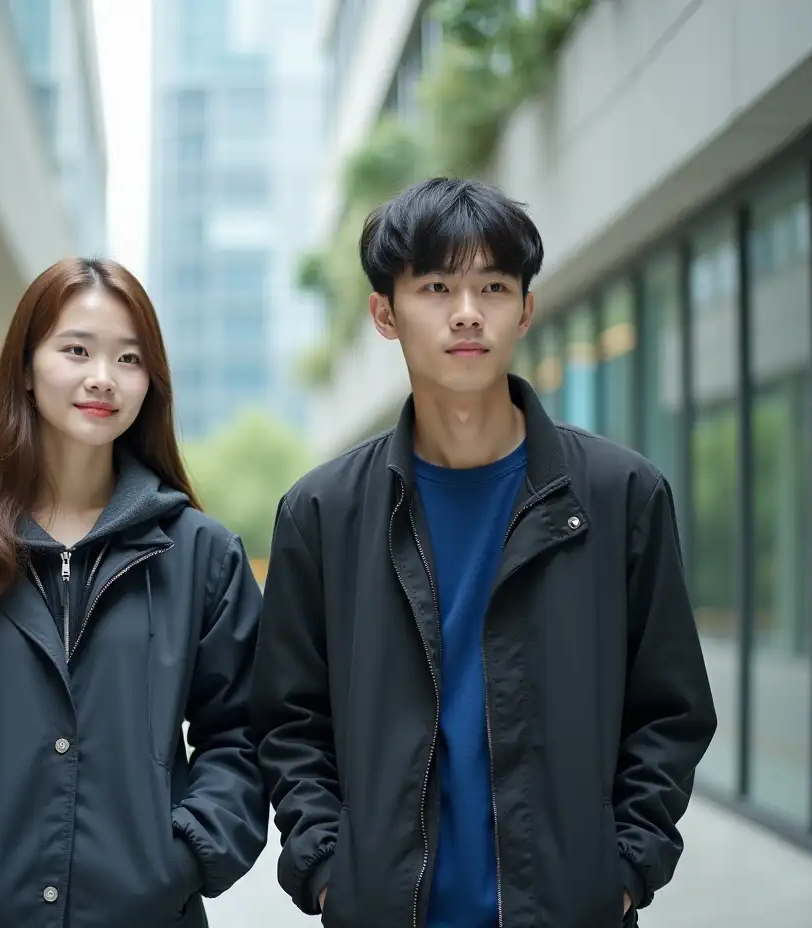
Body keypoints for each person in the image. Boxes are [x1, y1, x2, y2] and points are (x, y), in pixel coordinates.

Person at [251, 178, 717, 928]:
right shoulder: (322, 512)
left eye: (493, 287)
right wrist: (331, 872)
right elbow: (286, 720)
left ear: (526, 310)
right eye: (436, 286)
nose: (467, 313)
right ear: (384, 313)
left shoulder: (620, 495)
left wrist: (622, 871)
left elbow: (670, 710)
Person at [0, 257, 268, 927]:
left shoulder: (202, 556)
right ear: (26, 368)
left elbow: (243, 739)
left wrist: (179, 862)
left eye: (129, 359)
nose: (103, 378)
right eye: (76, 350)